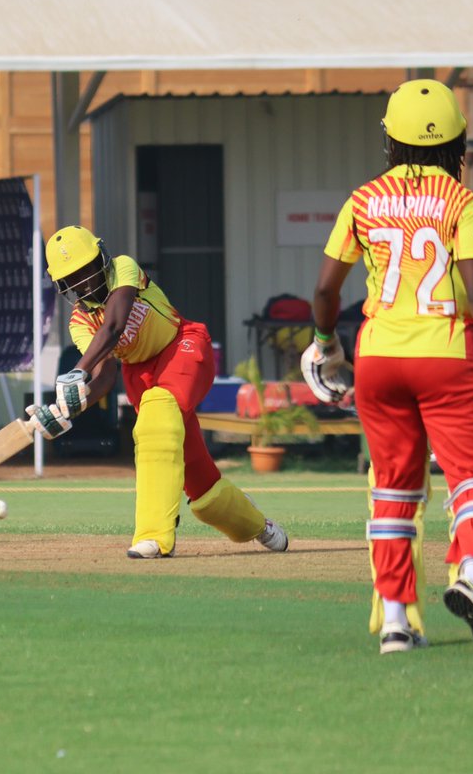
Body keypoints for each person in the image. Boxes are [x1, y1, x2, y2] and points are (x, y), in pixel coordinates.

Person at [302, 79, 473, 654]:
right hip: (448, 357)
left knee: (395, 490)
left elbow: (326, 289)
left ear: (392, 141)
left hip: (378, 359)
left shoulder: (362, 200)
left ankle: (398, 622)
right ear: (456, 140)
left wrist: (324, 342)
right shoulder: (465, 202)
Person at [29, 225, 290, 559]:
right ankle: (258, 526)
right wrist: (68, 408)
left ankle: (154, 536)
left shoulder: (124, 267)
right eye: (74, 277)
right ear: (63, 285)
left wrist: (77, 370)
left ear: (102, 259)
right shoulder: (80, 323)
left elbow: (114, 325)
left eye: (88, 269)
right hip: (141, 375)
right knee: (202, 488)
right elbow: (105, 375)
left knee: (155, 422)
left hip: (182, 346)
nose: (85, 281)